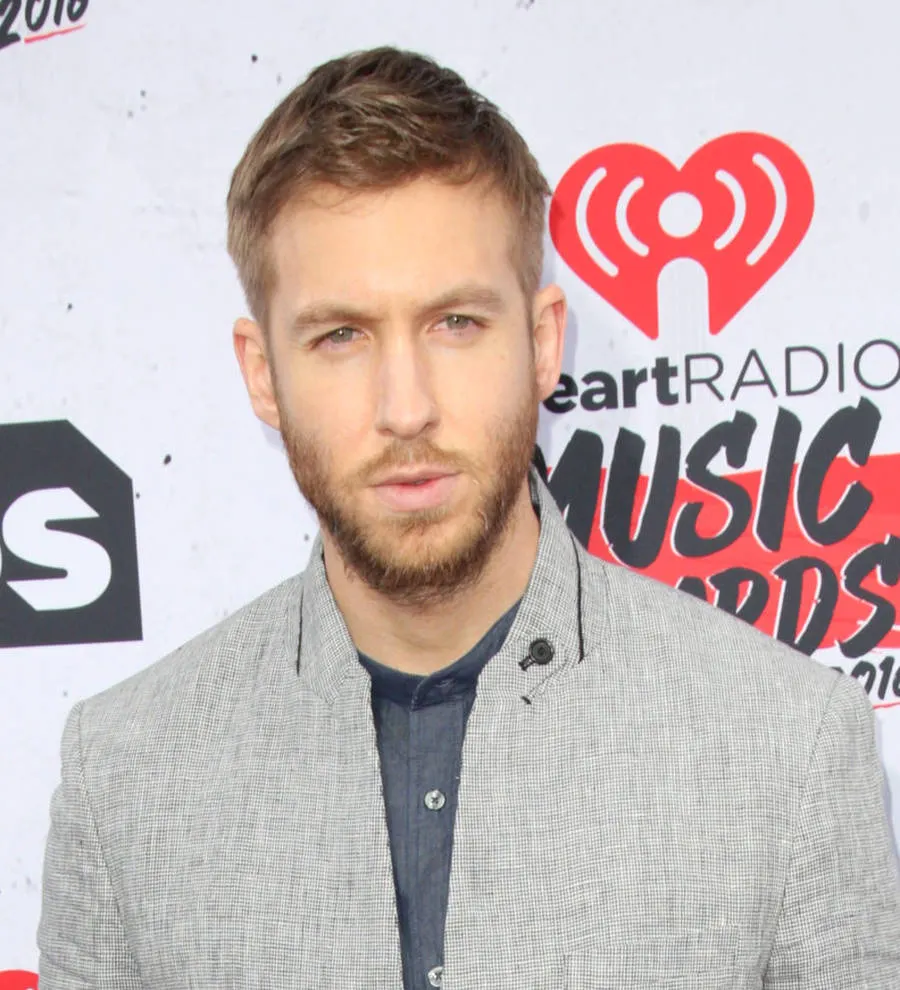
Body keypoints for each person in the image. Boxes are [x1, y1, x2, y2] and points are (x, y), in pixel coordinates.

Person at [38, 46, 900, 990]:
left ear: (542, 341)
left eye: (455, 323)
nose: (405, 408)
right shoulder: (126, 777)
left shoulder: (786, 747)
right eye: (341, 336)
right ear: (262, 373)